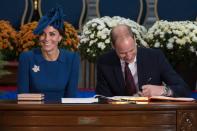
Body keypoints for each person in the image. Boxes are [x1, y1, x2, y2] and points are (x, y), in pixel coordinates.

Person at [96, 24, 191, 97]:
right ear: (113, 46)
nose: (129, 56)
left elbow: (184, 89)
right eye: (123, 53)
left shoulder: (155, 57)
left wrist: (164, 90)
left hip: (151, 114)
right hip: (120, 115)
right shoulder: (104, 62)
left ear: (135, 40)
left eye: (132, 50)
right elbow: (102, 98)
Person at [17, 6, 80, 101]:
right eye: (43, 34)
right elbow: (23, 98)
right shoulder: (27, 58)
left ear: (60, 37)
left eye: (52, 34)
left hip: (62, 113)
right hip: (34, 113)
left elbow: (71, 99)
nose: (46, 39)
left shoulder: (72, 59)